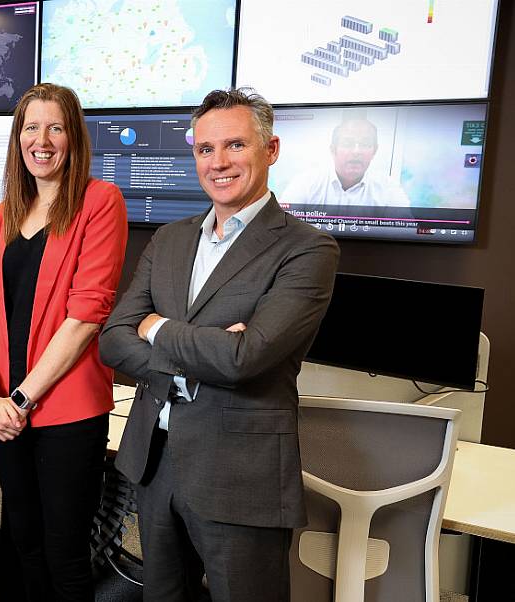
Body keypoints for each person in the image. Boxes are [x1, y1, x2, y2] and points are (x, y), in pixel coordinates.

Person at [99, 88, 339, 602]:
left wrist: (157, 328)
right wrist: (200, 348)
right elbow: (114, 339)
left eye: (235, 145)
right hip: (154, 461)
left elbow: (244, 358)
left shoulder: (307, 249)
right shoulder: (169, 239)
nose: (219, 162)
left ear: (270, 149)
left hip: (238, 472)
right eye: (206, 149)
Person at [0, 82, 128, 601]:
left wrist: (20, 398)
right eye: (31, 127)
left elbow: (87, 315)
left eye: (56, 127)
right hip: (7, 410)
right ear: (18, 138)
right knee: (23, 543)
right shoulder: (5, 213)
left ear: (74, 137)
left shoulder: (99, 202)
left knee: (63, 553)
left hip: (65, 412)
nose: (42, 139)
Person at [283, 116, 410, 208]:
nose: (356, 151)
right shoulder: (306, 182)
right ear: (333, 149)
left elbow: (407, 233)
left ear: (374, 151)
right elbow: (283, 226)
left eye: (365, 144)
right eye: (347, 143)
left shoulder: (388, 188)